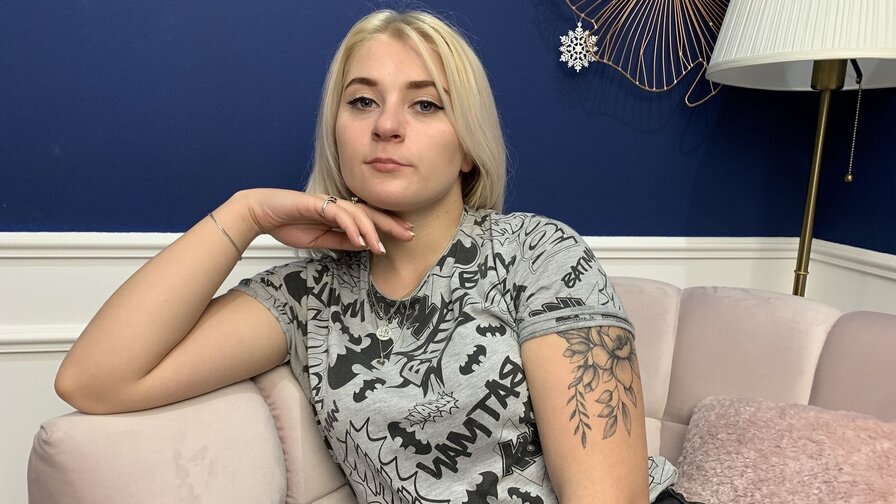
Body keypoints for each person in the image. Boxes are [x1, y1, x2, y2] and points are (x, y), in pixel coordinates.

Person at [55, 9, 648, 503]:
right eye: (362, 101)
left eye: (425, 105)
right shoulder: (307, 297)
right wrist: (246, 214)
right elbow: (94, 380)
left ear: (468, 146)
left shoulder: (537, 253)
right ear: (336, 129)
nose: (386, 125)